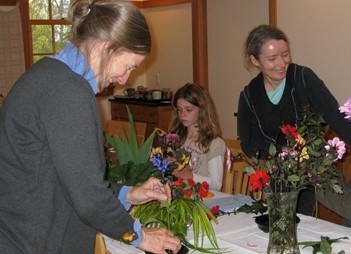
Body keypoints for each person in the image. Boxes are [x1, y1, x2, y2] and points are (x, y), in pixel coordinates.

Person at [0, 1, 181, 253]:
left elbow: (69, 177)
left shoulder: (48, 76)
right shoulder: (68, 91)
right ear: (105, 47)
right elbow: (88, 199)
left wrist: (128, 194)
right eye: (128, 66)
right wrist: (140, 236)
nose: (124, 79)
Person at [237, 24, 351, 216]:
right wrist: (281, 154)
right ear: (255, 60)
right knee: (289, 225)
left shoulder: (303, 78)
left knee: (347, 206)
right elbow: (248, 144)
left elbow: (335, 116)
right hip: (277, 175)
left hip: (314, 167)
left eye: (285, 54)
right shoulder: (249, 96)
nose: (281, 63)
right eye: (272, 59)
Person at [169, 83, 226, 191]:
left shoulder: (214, 143)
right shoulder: (177, 138)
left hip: (202, 199)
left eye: (189, 110)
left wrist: (189, 176)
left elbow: (216, 184)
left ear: (202, 110)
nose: (182, 115)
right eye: (179, 109)